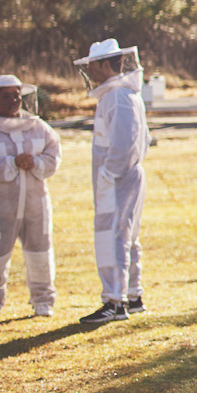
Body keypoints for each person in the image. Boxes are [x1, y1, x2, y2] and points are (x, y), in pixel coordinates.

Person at [0, 74, 63, 321]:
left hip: (36, 204)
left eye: (16, 95)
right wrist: (11, 163)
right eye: (6, 96)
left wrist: (35, 162)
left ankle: (43, 301)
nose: (13, 100)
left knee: (40, 253)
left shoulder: (38, 126)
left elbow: (54, 155)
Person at [75, 39, 147, 325]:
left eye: (92, 65)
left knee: (114, 236)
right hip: (126, 175)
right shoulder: (124, 94)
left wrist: (108, 174)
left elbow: (124, 142)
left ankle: (114, 302)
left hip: (118, 178)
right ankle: (132, 296)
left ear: (106, 64)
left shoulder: (117, 96)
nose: (90, 71)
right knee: (127, 235)